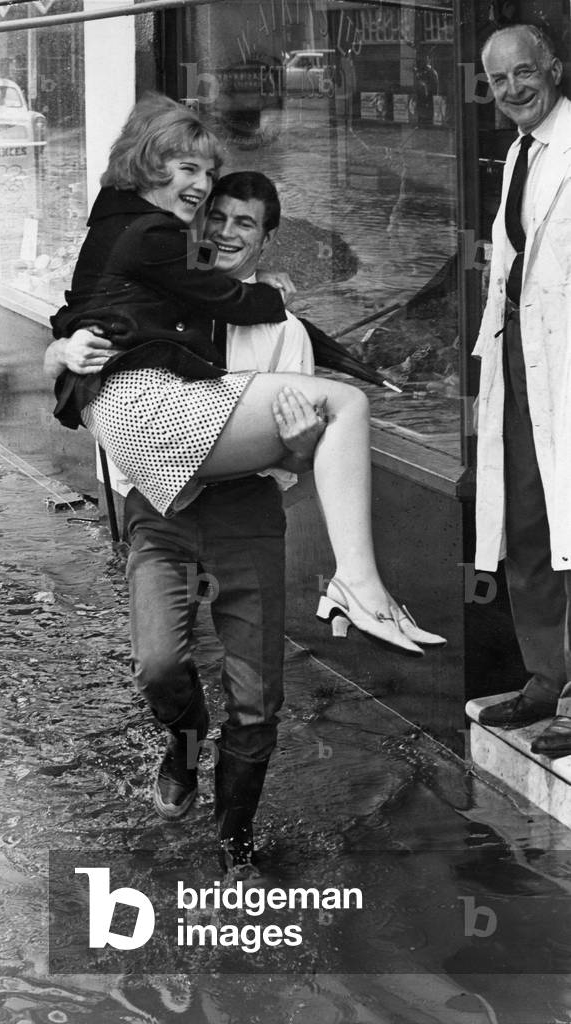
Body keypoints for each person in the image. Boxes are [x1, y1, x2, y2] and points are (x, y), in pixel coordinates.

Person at [44, 94, 445, 868]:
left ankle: (234, 843)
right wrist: (61, 353)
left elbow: (301, 465)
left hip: (246, 516)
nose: (224, 230)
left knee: (258, 700)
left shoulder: (281, 330)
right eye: (214, 215)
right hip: (158, 511)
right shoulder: (161, 284)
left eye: (243, 225)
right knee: (161, 666)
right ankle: (183, 747)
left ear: (265, 241)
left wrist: (295, 446)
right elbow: (92, 324)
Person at [473, 25, 571, 757]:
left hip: (566, 362)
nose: (513, 90)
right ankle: (545, 678)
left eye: (524, 73)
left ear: (555, 70)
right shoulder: (516, 153)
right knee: (530, 522)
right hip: (518, 360)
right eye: (499, 80)